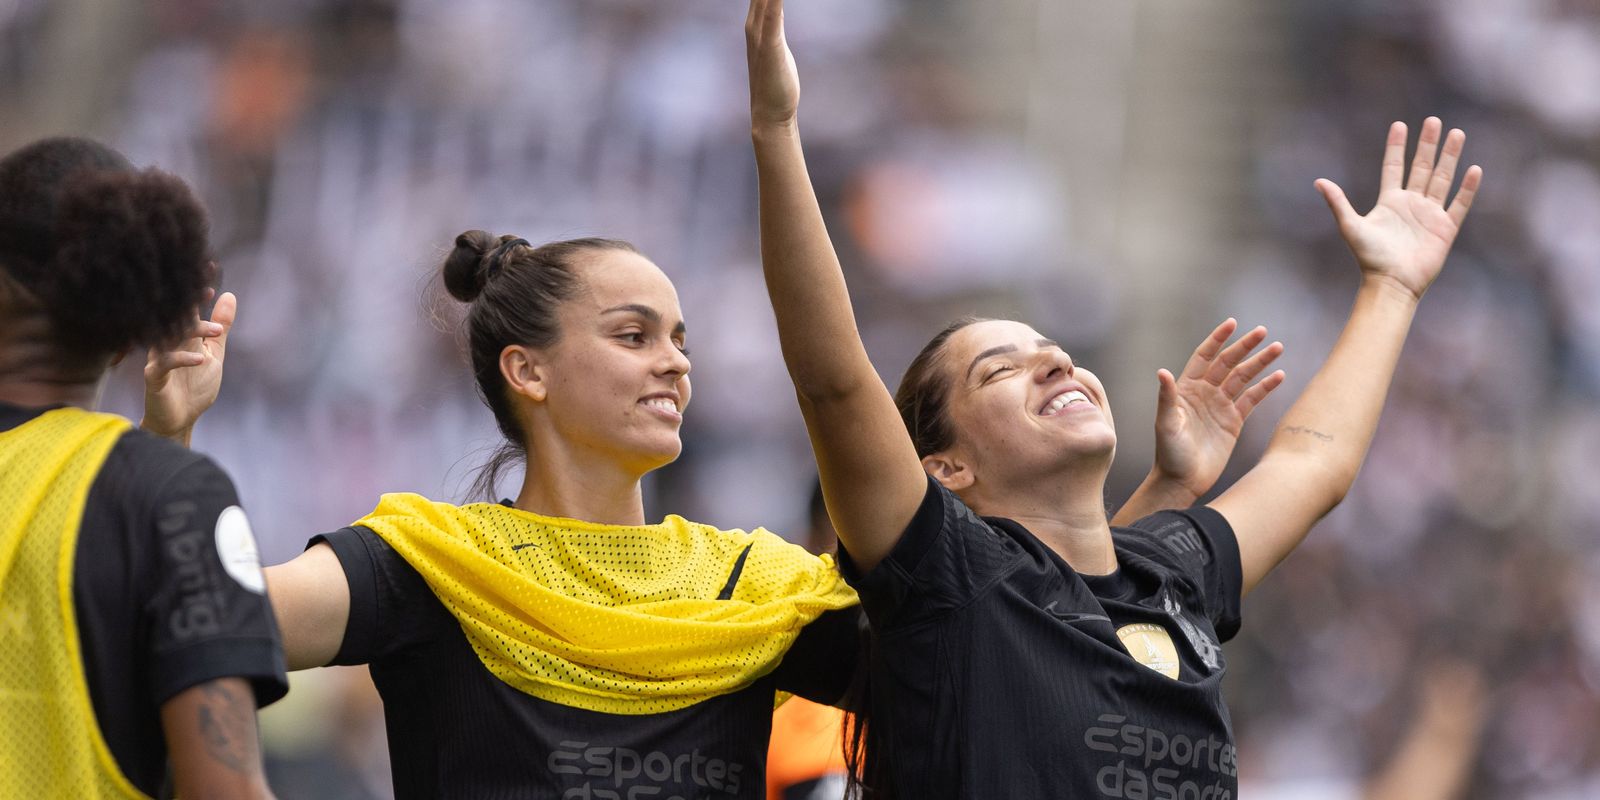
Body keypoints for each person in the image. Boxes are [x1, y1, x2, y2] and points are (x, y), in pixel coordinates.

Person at [158, 220, 1270, 795]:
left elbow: (1026, 649)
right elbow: (212, 617)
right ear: (528, 373)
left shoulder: (756, 584)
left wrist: (1158, 498)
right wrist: (172, 442)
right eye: (634, 335)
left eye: (681, 341)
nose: (674, 365)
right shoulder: (426, 559)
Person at [743, 0, 1483, 796]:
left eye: (1050, 350)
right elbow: (833, 382)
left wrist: (1393, 287)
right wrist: (778, 132)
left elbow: (1313, 461)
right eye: (999, 369)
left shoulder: (1168, 575)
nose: (1053, 362)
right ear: (944, 467)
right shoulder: (946, 582)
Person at [0, 136, 285, 799]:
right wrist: (165, 451)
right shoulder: (172, 499)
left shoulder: (155, 493)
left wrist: (166, 438)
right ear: (133, 330)